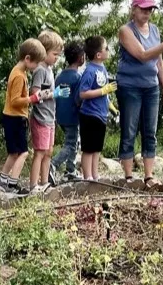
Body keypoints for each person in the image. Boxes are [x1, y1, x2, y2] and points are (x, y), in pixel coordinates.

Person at [117, 0, 163, 184]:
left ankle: (149, 176)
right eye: (144, 9)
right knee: (129, 129)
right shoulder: (126, 31)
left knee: (150, 131)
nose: (147, 13)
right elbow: (143, 55)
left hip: (151, 87)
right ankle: (129, 177)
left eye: (150, 9)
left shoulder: (154, 30)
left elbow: (158, 62)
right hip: (130, 86)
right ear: (134, 9)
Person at [0, 38, 48, 197]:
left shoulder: (19, 72)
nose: (36, 67)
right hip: (15, 118)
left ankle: (2, 180)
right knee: (23, 152)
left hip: (12, 117)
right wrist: (33, 99)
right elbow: (15, 101)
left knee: (14, 152)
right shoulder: (19, 76)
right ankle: (12, 183)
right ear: (27, 58)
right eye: (36, 63)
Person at [29, 30, 69, 193]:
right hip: (41, 117)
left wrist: (56, 92)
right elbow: (35, 94)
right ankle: (33, 185)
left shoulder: (49, 70)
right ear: (43, 51)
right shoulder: (39, 70)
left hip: (50, 117)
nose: (56, 58)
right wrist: (54, 93)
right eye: (54, 54)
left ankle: (44, 181)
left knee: (48, 151)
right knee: (39, 152)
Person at [78, 35, 118, 181]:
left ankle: (95, 175)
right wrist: (103, 90)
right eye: (106, 48)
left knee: (97, 149)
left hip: (102, 114)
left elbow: (105, 93)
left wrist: (111, 107)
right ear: (98, 54)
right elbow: (83, 93)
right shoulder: (90, 71)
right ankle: (87, 176)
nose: (108, 50)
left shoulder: (103, 68)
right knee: (88, 148)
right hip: (89, 114)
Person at [51, 40, 85, 181]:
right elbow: (78, 99)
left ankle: (70, 170)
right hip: (72, 116)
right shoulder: (78, 77)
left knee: (73, 142)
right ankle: (52, 164)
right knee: (71, 144)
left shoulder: (60, 76)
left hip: (60, 116)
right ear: (80, 58)